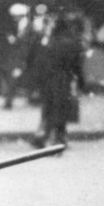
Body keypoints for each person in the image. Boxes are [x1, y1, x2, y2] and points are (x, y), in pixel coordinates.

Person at [31, 15, 86, 149]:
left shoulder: (51, 42)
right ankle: (58, 138)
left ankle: (44, 135)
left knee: (49, 108)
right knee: (61, 108)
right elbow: (76, 65)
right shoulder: (71, 43)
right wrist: (81, 82)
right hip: (63, 78)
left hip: (49, 78)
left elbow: (40, 62)